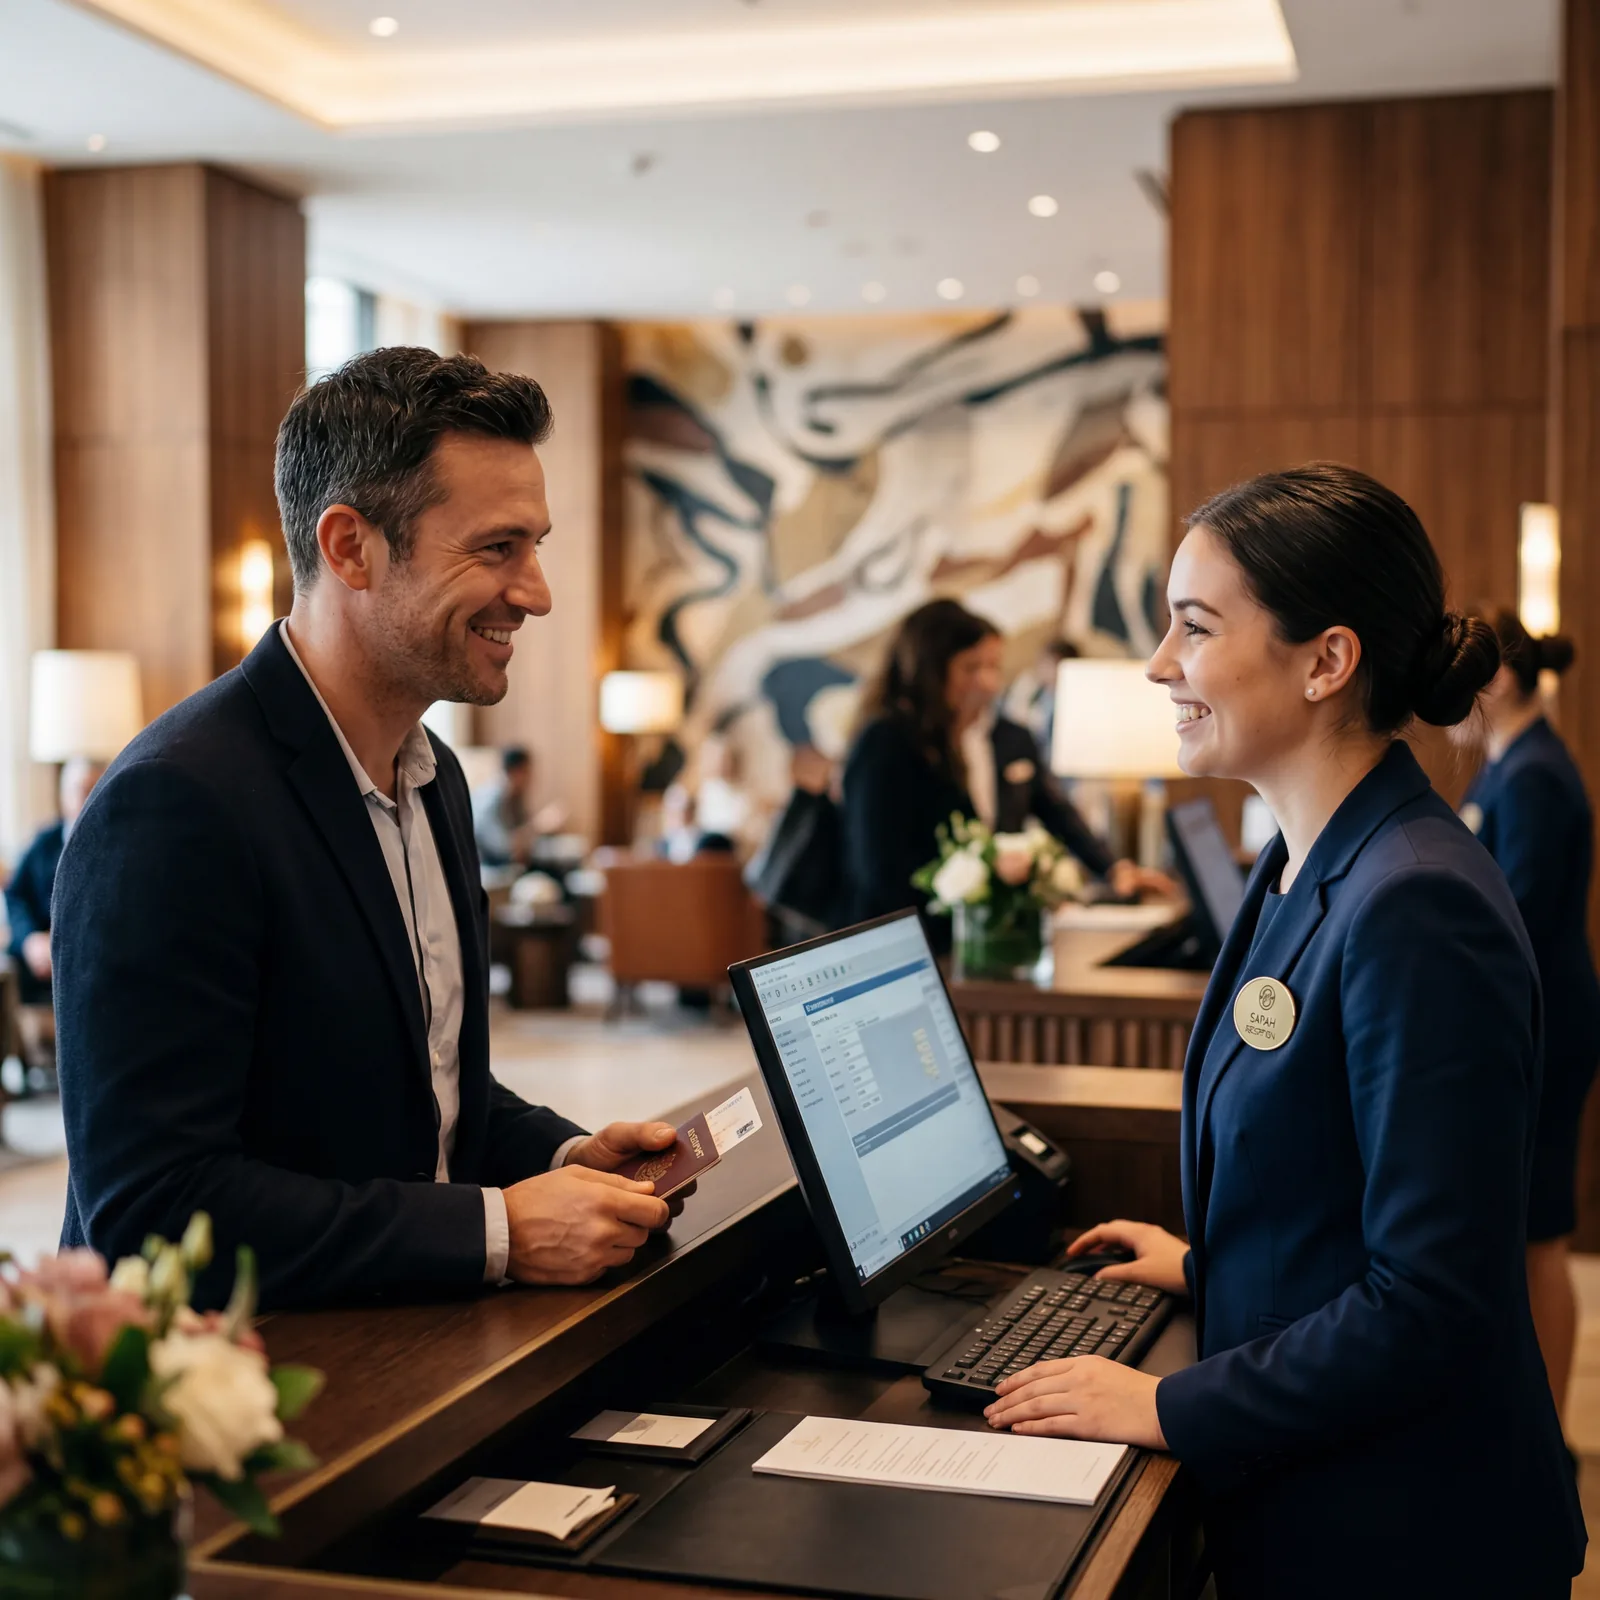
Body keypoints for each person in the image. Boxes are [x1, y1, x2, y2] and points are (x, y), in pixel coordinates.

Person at [981, 465, 1583, 1598]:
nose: (1159, 663)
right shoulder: (1300, 860)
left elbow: (1432, 1302)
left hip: (1411, 1538)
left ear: (1326, 661)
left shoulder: (1416, 900)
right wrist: (1208, 1267)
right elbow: (1334, 1174)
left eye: (1195, 626)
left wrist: (1167, 1403)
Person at [53, 348, 684, 1311]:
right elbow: (152, 1209)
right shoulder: (173, 804)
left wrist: (564, 1157)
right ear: (350, 547)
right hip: (241, 1376)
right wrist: (503, 1233)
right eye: (497, 548)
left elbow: (422, 1092)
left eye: (535, 545)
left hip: (407, 1343)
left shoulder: (438, 779)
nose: (538, 592)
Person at [840, 599, 1170, 942]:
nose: (988, 684)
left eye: (993, 666)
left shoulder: (1009, 737)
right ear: (930, 671)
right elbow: (880, 872)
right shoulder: (886, 744)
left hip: (984, 938)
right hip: (908, 939)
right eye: (971, 668)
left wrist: (1113, 869)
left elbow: (1056, 811)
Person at [1462, 607, 1600, 1423]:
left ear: (1504, 679)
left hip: (1551, 1022)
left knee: (1542, 1233)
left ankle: (1548, 1431)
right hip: (1530, 1015)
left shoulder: (1536, 774)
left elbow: (1519, 914)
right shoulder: (1504, 764)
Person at [3, 759, 103, 1071]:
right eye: (77, 789)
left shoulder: (111, 843)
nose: (83, 797)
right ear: (63, 795)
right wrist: (30, 940)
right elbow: (15, 895)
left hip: (84, 951)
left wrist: (61, 944)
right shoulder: (43, 843)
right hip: (36, 954)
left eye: (91, 789)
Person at [472, 745, 564, 868]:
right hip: (490, 864)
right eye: (527, 772)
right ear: (514, 772)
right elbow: (503, 848)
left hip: (509, 861)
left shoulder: (516, 796)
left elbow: (525, 837)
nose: (532, 778)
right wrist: (539, 826)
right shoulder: (491, 800)